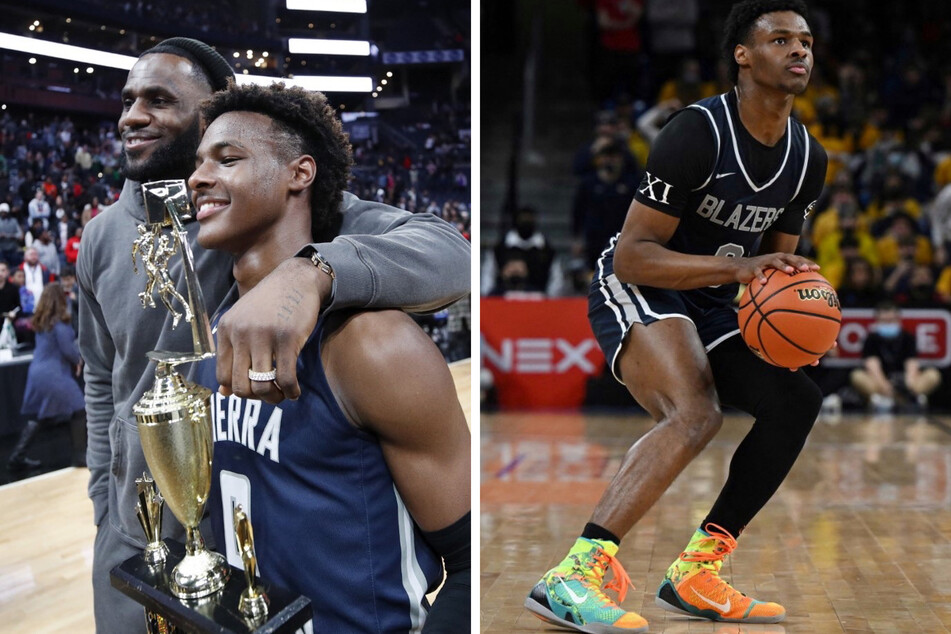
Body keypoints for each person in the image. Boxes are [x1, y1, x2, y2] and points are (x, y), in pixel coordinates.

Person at [77, 37, 470, 633]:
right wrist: (107, 504)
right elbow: (102, 380)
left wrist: (310, 272)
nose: (133, 116)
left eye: (159, 100)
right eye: (129, 99)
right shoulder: (103, 236)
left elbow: (452, 255)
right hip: (147, 539)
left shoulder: (305, 226)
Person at [525, 1, 829, 630]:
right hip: (642, 281)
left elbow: (773, 269)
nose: (799, 50)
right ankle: (572, 574)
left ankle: (697, 571)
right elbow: (636, 257)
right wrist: (738, 271)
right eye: (780, 40)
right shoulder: (697, 133)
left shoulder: (809, 159)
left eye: (804, 41)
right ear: (742, 56)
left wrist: (800, 321)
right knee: (694, 413)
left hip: (715, 299)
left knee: (796, 398)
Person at [187, 81, 471, 633]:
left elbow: (466, 563)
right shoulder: (214, 331)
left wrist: (305, 272)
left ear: (300, 173)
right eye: (198, 163)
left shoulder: (370, 343)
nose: (198, 177)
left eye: (228, 159)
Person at [8, 282, 86, 470]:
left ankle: (16, 458)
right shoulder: (59, 323)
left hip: (37, 372)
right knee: (79, 408)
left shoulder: (41, 321)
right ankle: (80, 457)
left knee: (42, 416)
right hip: (53, 374)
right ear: (60, 299)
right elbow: (68, 350)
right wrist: (78, 360)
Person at [850, 301, 942, 412]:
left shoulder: (908, 338)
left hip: (905, 381)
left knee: (933, 375)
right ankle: (882, 400)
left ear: (898, 320)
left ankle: (912, 398)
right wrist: (884, 386)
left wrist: (909, 385)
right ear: (877, 321)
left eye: (891, 320)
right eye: (884, 321)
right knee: (857, 376)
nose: (888, 324)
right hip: (881, 382)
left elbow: (911, 364)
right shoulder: (871, 339)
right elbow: (872, 365)